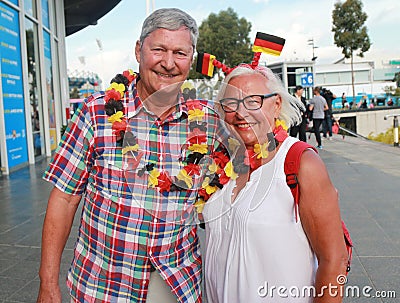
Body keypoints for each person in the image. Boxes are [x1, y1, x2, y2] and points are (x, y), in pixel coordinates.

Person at [37, 8, 228, 303]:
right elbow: (64, 198)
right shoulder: (96, 113)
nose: (168, 63)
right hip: (102, 288)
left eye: (180, 52)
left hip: (176, 285)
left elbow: (247, 159)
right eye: (159, 49)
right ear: (139, 50)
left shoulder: (208, 121)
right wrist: (48, 283)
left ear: (191, 58)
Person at [203, 65, 348, 303]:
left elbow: (335, 260)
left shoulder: (300, 162)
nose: (241, 113)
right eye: (231, 103)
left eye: (253, 101)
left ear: (276, 104)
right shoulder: (221, 165)